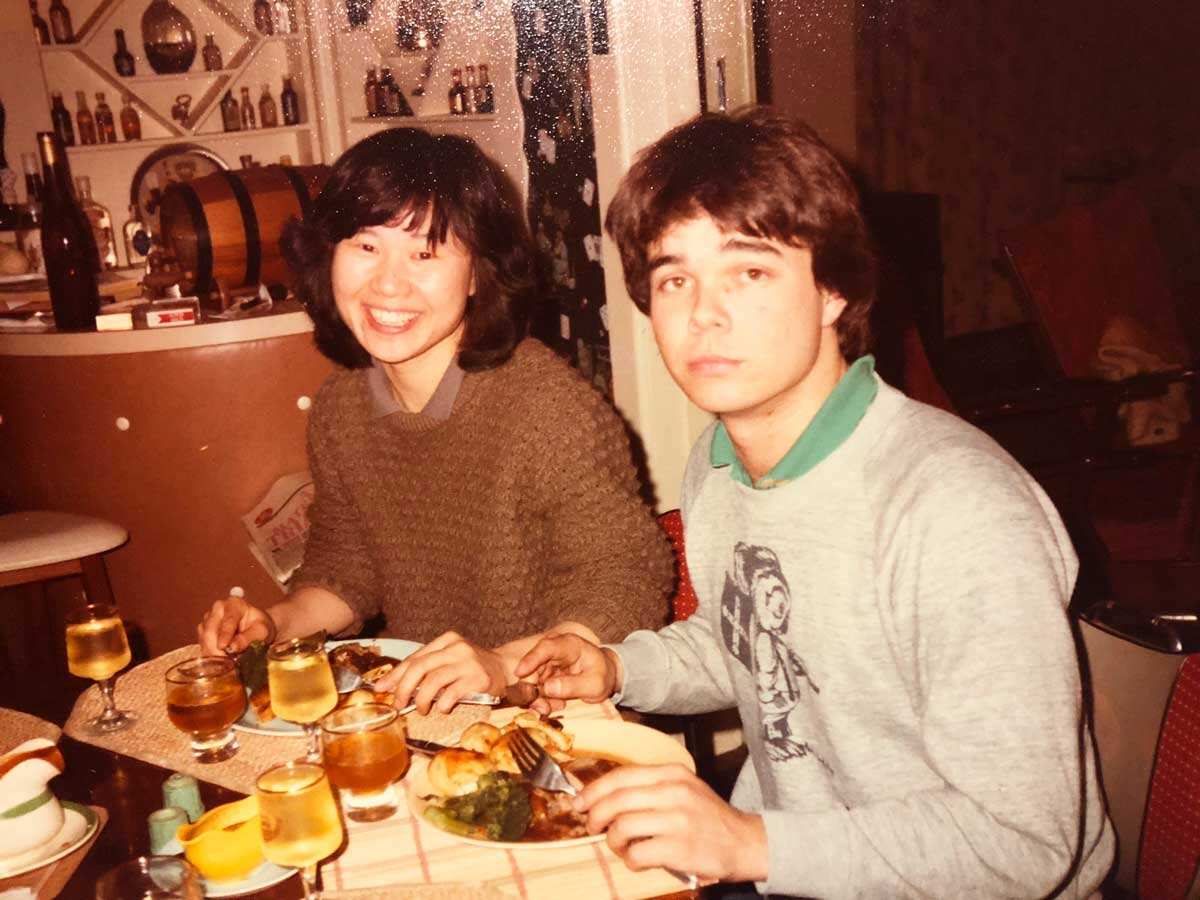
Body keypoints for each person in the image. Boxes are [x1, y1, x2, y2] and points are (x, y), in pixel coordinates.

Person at [516, 107, 1115, 897]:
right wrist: (615, 667)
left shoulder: (958, 512)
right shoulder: (720, 465)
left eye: (751, 271)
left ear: (834, 289)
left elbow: (1022, 844)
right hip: (800, 872)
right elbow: (755, 650)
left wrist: (749, 843)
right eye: (674, 280)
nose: (705, 314)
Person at [196, 127, 673, 713]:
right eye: (366, 247)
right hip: (423, 708)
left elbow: (626, 579)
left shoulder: (548, 408)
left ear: (477, 275)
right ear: (328, 256)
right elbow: (347, 568)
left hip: (546, 713)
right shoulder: (339, 408)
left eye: (424, 254)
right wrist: (274, 624)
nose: (388, 284)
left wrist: (501, 666)